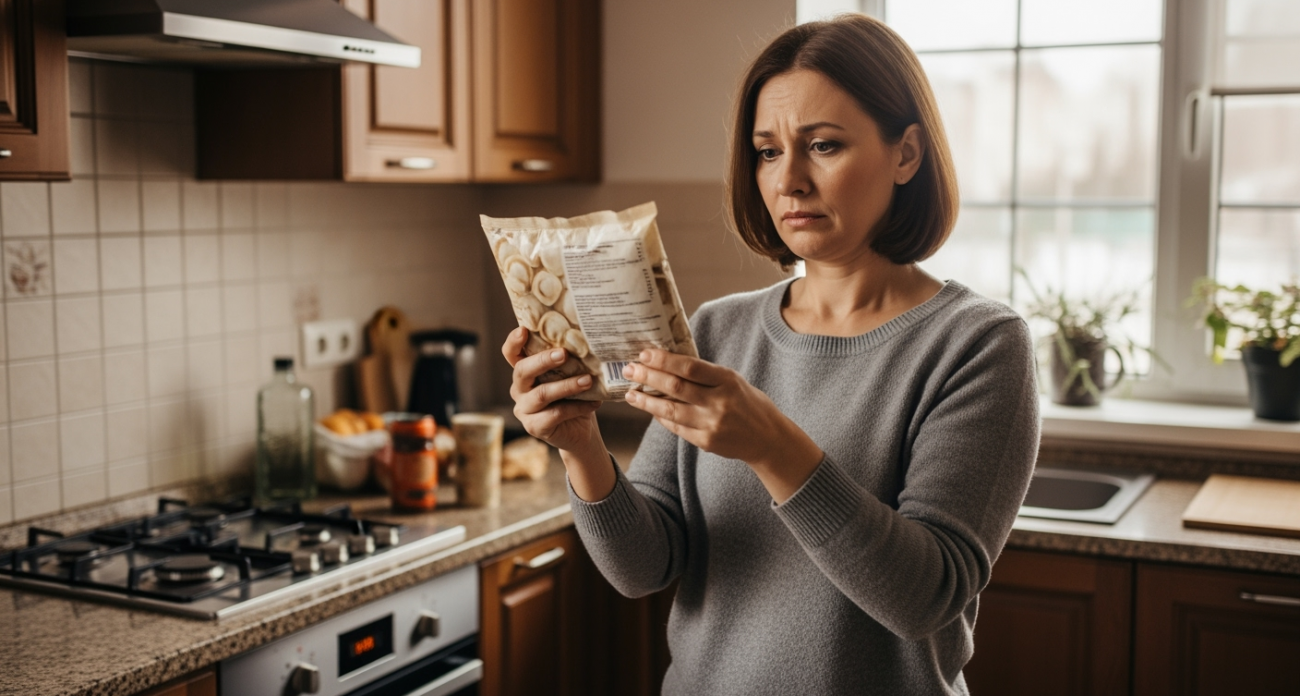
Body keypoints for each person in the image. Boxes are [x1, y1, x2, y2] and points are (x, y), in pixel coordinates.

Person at [501, 14, 1040, 696]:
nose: (790, 181)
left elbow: (924, 598)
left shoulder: (978, 344)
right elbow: (645, 567)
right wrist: (581, 448)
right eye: (767, 152)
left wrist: (772, 445)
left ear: (906, 154)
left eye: (823, 145)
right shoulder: (718, 329)